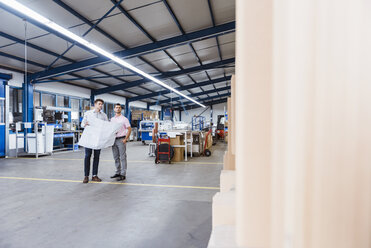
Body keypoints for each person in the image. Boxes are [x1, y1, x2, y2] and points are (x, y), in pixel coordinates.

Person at [81, 99, 108, 183]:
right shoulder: (88, 113)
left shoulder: (103, 115)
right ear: (95, 104)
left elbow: (107, 125)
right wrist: (84, 125)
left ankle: (94, 175)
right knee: (87, 156)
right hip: (89, 138)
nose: (101, 106)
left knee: (96, 157)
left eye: (102, 104)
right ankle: (86, 176)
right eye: (99, 104)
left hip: (98, 139)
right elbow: (82, 124)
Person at [110, 103, 131, 181]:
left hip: (121, 139)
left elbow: (129, 128)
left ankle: (123, 174)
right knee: (116, 157)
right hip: (113, 140)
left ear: (121, 109)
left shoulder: (124, 119)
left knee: (122, 157)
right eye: (116, 107)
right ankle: (117, 172)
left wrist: (126, 139)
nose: (117, 109)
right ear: (114, 109)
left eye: (119, 107)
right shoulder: (112, 119)